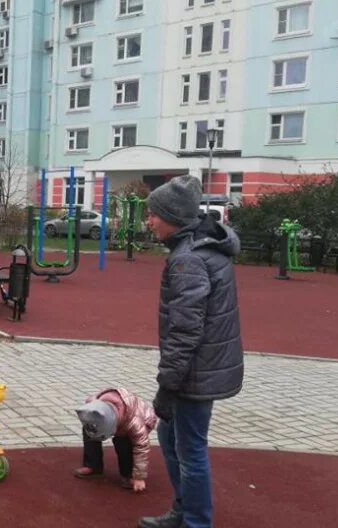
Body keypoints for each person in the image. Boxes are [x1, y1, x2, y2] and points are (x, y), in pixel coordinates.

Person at [138, 175, 244, 528]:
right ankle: (183, 511)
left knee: (190, 449)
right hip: (200, 367)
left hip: (195, 372)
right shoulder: (200, 247)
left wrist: (167, 385)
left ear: (173, 217)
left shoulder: (189, 261)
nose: (148, 221)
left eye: (153, 214)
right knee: (172, 438)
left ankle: (196, 522)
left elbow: (185, 331)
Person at [72, 387, 157, 493]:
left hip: (143, 419)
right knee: (90, 428)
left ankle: (128, 474)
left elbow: (142, 446)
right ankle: (93, 466)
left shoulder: (135, 423)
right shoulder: (93, 403)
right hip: (119, 417)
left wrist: (139, 476)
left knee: (122, 441)